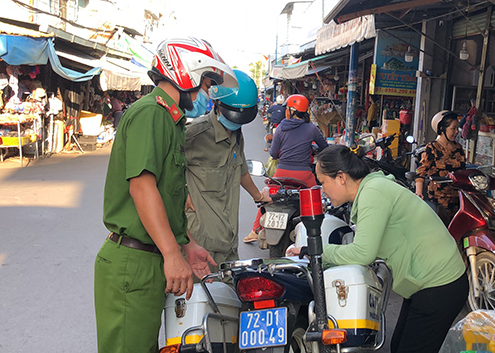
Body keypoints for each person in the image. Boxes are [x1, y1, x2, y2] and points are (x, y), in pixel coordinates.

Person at [94, 37, 238, 353]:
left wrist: (186, 245)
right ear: (186, 72)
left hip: (149, 257)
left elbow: (166, 195)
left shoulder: (171, 120)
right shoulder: (151, 113)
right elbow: (142, 188)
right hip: (134, 261)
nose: (206, 93)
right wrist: (172, 255)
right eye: (206, 83)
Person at [288, 145, 468, 353]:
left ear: (341, 177)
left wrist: (315, 251)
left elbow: (362, 253)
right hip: (427, 284)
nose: (323, 190)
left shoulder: (373, 194)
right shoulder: (372, 188)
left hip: (440, 285)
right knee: (399, 345)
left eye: (323, 183)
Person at [185, 69, 271, 267]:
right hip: (200, 244)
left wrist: (258, 196)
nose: (235, 122)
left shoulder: (237, 135)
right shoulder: (194, 135)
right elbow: (161, 164)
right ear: (216, 104)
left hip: (229, 241)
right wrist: (181, 191)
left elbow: (240, 169)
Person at [243, 94, 328, 243]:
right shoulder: (311, 129)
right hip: (304, 175)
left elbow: (273, 153)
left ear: (291, 111)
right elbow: (325, 148)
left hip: (281, 174)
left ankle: (255, 231)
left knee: (267, 198)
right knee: (317, 199)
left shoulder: (281, 127)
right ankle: (320, 229)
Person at [414, 110, 466, 219]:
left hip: (458, 199)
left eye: (457, 128)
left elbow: (463, 171)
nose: (456, 132)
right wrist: (418, 192)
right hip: (438, 201)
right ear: (442, 129)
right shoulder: (432, 148)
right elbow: (421, 172)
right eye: (453, 128)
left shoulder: (458, 148)